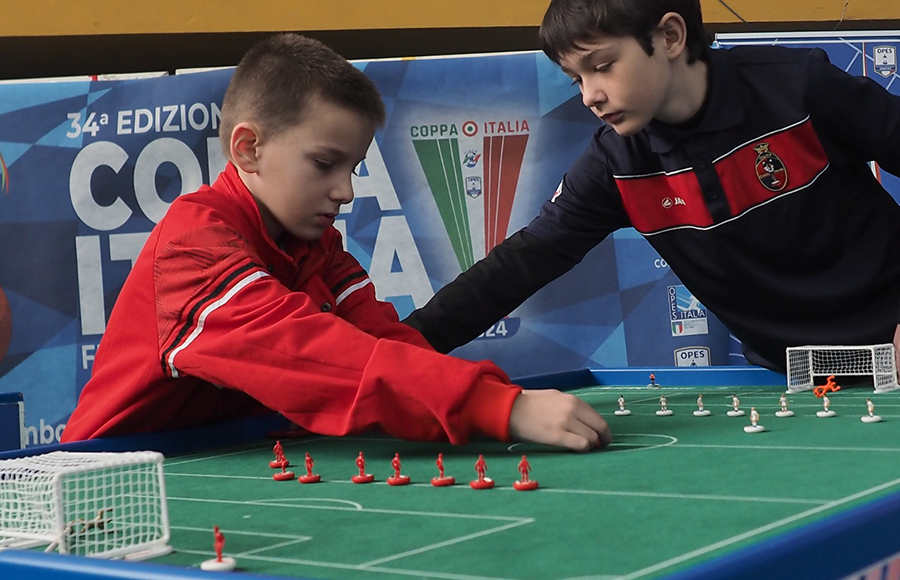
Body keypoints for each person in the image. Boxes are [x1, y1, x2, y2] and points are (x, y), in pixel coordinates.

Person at [60, 33, 610, 453]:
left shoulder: (316, 246)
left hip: (225, 461)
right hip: (109, 486)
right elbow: (313, 356)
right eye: (325, 164)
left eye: (353, 167)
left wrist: (501, 401)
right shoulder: (194, 248)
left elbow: (384, 343)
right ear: (248, 148)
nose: (345, 191)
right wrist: (497, 407)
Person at [402, 0, 900, 373]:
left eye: (602, 66)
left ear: (670, 37)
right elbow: (517, 266)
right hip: (791, 381)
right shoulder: (615, 164)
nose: (590, 96)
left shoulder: (800, 87)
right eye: (575, 79)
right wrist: (389, 355)